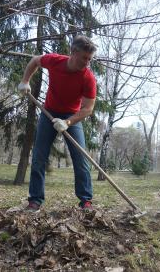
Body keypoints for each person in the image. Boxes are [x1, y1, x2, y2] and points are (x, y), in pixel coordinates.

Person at [17, 35, 97, 212]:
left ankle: (86, 201)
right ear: (73, 52)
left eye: (89, 59)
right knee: (39, 157)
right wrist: (25, 81)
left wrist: (68, 122)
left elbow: (88, 108)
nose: (87, 63)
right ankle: (35, 201)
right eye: (84, 58)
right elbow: (35, 61)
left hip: (71, 116)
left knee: (80, 158)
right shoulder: (54, 61)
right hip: (49, 113)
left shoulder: (88, 78)